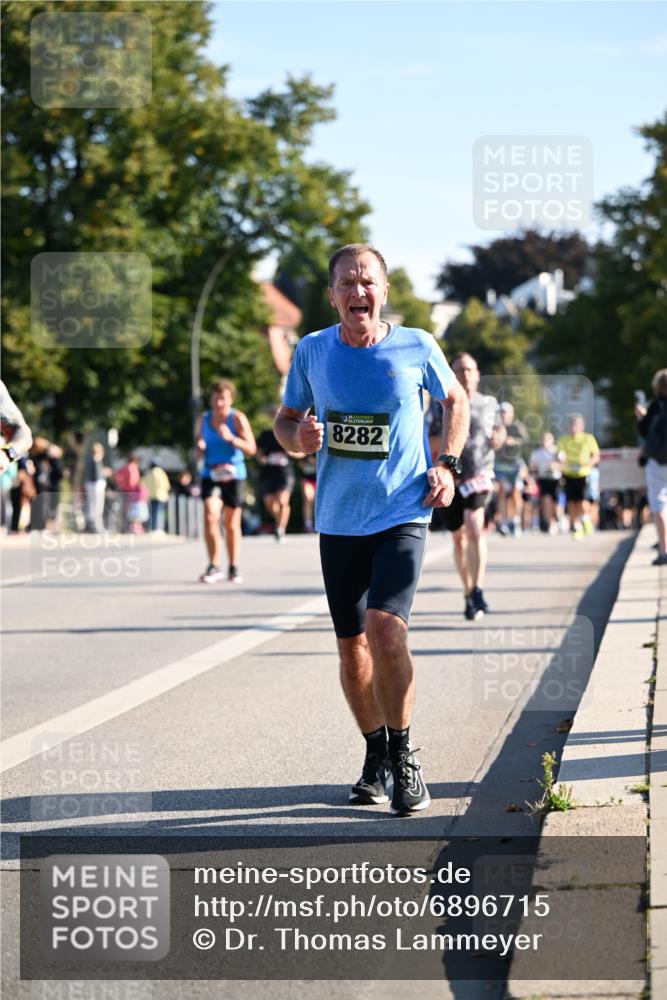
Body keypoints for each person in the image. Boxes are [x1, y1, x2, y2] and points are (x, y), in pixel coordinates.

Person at [274, 243, 469, 816]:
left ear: (384, 292)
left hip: (403, 510)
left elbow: (454, 398)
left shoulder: (416, 346)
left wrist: (447, 463)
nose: (358, 292)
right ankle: (375, 752)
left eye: (368, 282)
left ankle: (405, 755)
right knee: (351, 644)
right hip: (338, 518)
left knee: (385, 630)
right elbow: (286, 422)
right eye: (346, 283)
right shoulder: (312, 351)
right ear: (332, 295)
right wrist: (297, 440)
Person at [429, 352, 505, 620]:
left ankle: (478, 589)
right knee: (458, 538)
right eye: (460, 370)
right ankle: (468, 591)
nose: (466, 375)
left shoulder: (489, 403)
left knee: (474, 526)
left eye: (470, 370)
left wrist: (499, 436)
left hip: (479, 474)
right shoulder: (441, 405)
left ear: (478, 374)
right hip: (451, 476)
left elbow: (499, 429)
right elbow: (431, 440)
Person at [196, 379, 256, 583]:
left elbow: (251, 449)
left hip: (234, 475)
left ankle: (234, 566)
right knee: (210, 516)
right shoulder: (203, 419)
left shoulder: (237, 418)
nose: (219, 403)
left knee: (231, 524)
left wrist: (231, 438)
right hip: (211, 474)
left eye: (223, 399)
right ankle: (213, 565)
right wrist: (200, 447)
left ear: (230, 400)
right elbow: (197, 444)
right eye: (215, 399)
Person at [636, 369, 667, 565]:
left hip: (657, 461)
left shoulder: (656, 406)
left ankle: (664, 550)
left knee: (659, 505)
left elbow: (644, 432)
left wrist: (641, 416)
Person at [256, 421, 301, 542]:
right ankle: (278, 521)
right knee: (270, 504)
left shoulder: (291, 432)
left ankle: (280, 529)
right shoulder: (266, 434)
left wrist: (292, 452)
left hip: (284, 473)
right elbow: (258, 452)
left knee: (282, 501)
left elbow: (302, 452)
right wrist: (261, 459)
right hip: (268, 472)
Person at [556, 415, 600, 540]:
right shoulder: (564, 439)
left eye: (577, 425)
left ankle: (585, 519)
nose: (574, 427)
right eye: (572, 425)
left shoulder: (588, 438)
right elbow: (559, 454)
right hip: (568, 473)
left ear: (582, 426)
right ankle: (576, 527)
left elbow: (596, 455)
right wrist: (560, 458)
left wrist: (589, 464)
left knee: (582, 501)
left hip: (583, 473)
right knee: (570, 501)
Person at [494, 402, 529, 536]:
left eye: (506, 413)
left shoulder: (517, 426)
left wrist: (513, 441)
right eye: (501, 413)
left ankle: (515, 520)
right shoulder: (495, 426)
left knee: (515, 494)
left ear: (511, 414)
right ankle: (503, 522)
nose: (503, 415)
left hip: (515, 465)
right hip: (499, 465)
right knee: (501, 491)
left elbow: (526, 441)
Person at [528, 431, 562, 533]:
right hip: (543, 479)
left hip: (556, 480)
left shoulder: (557, 451)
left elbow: (563, 463)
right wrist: (533, 477)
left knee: (555, 503)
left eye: (547, 439)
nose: (545, 441)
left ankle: (556, 519)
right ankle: (549, 523)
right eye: (543, 439)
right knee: (546, 501)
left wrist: (556, 466)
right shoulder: (537, 453)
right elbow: (532, 467)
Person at [141, 460, 171, 533]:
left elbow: (142, 483)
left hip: (151, 496)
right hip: (161, 496)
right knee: (160, 512)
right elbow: (166, 485)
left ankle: (152, 528)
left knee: (152, 512)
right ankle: (158, 528)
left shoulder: (148, 473)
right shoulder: (160, 473)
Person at [84, 442, 107, 533]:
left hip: (91, 485)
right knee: (97, 506)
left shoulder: (90, 460)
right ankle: (97, 526)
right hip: (96, 485)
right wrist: (104, 472)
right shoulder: (96, 460)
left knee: (92, 505)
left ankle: (93, 525)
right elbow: (97, 475)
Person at [298, 454, 318, 532]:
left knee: (318, 502)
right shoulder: (305, 449)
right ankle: (308, 524)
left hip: (319, 479)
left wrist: (315, 462)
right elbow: (300, 463)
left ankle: (318, 524)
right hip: (307, 479)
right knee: (308, 499)